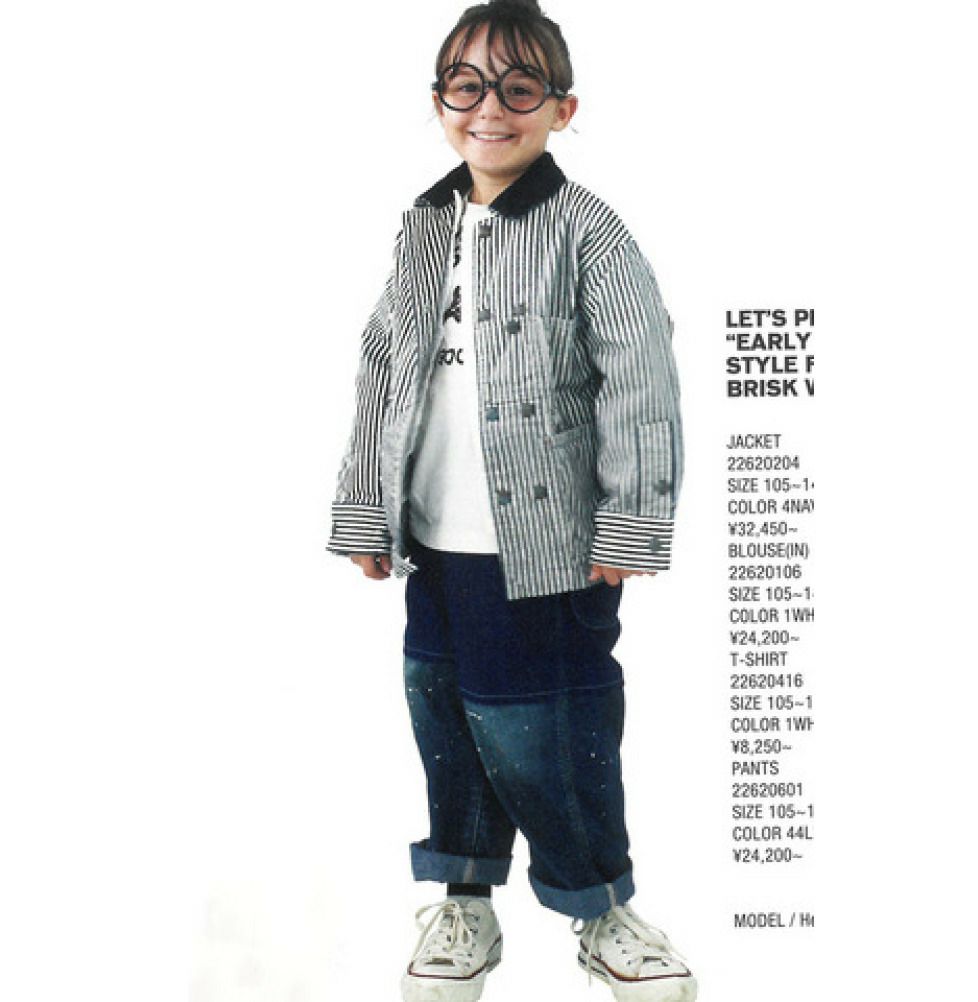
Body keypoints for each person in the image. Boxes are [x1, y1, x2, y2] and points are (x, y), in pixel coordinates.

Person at [327, 2, 695, 999]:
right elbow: (384, 367)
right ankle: (464, 899)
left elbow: (641, 383)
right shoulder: (424, 227)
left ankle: (602, 906)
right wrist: (367, 508)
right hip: (435, 542)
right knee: (447, 718)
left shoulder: (588, 230)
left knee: (546, 732)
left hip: (546, 547)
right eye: (468, 86)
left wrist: (629, 521)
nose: (490, 108)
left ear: (562, 108)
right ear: (439, 100)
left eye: (519, 89)